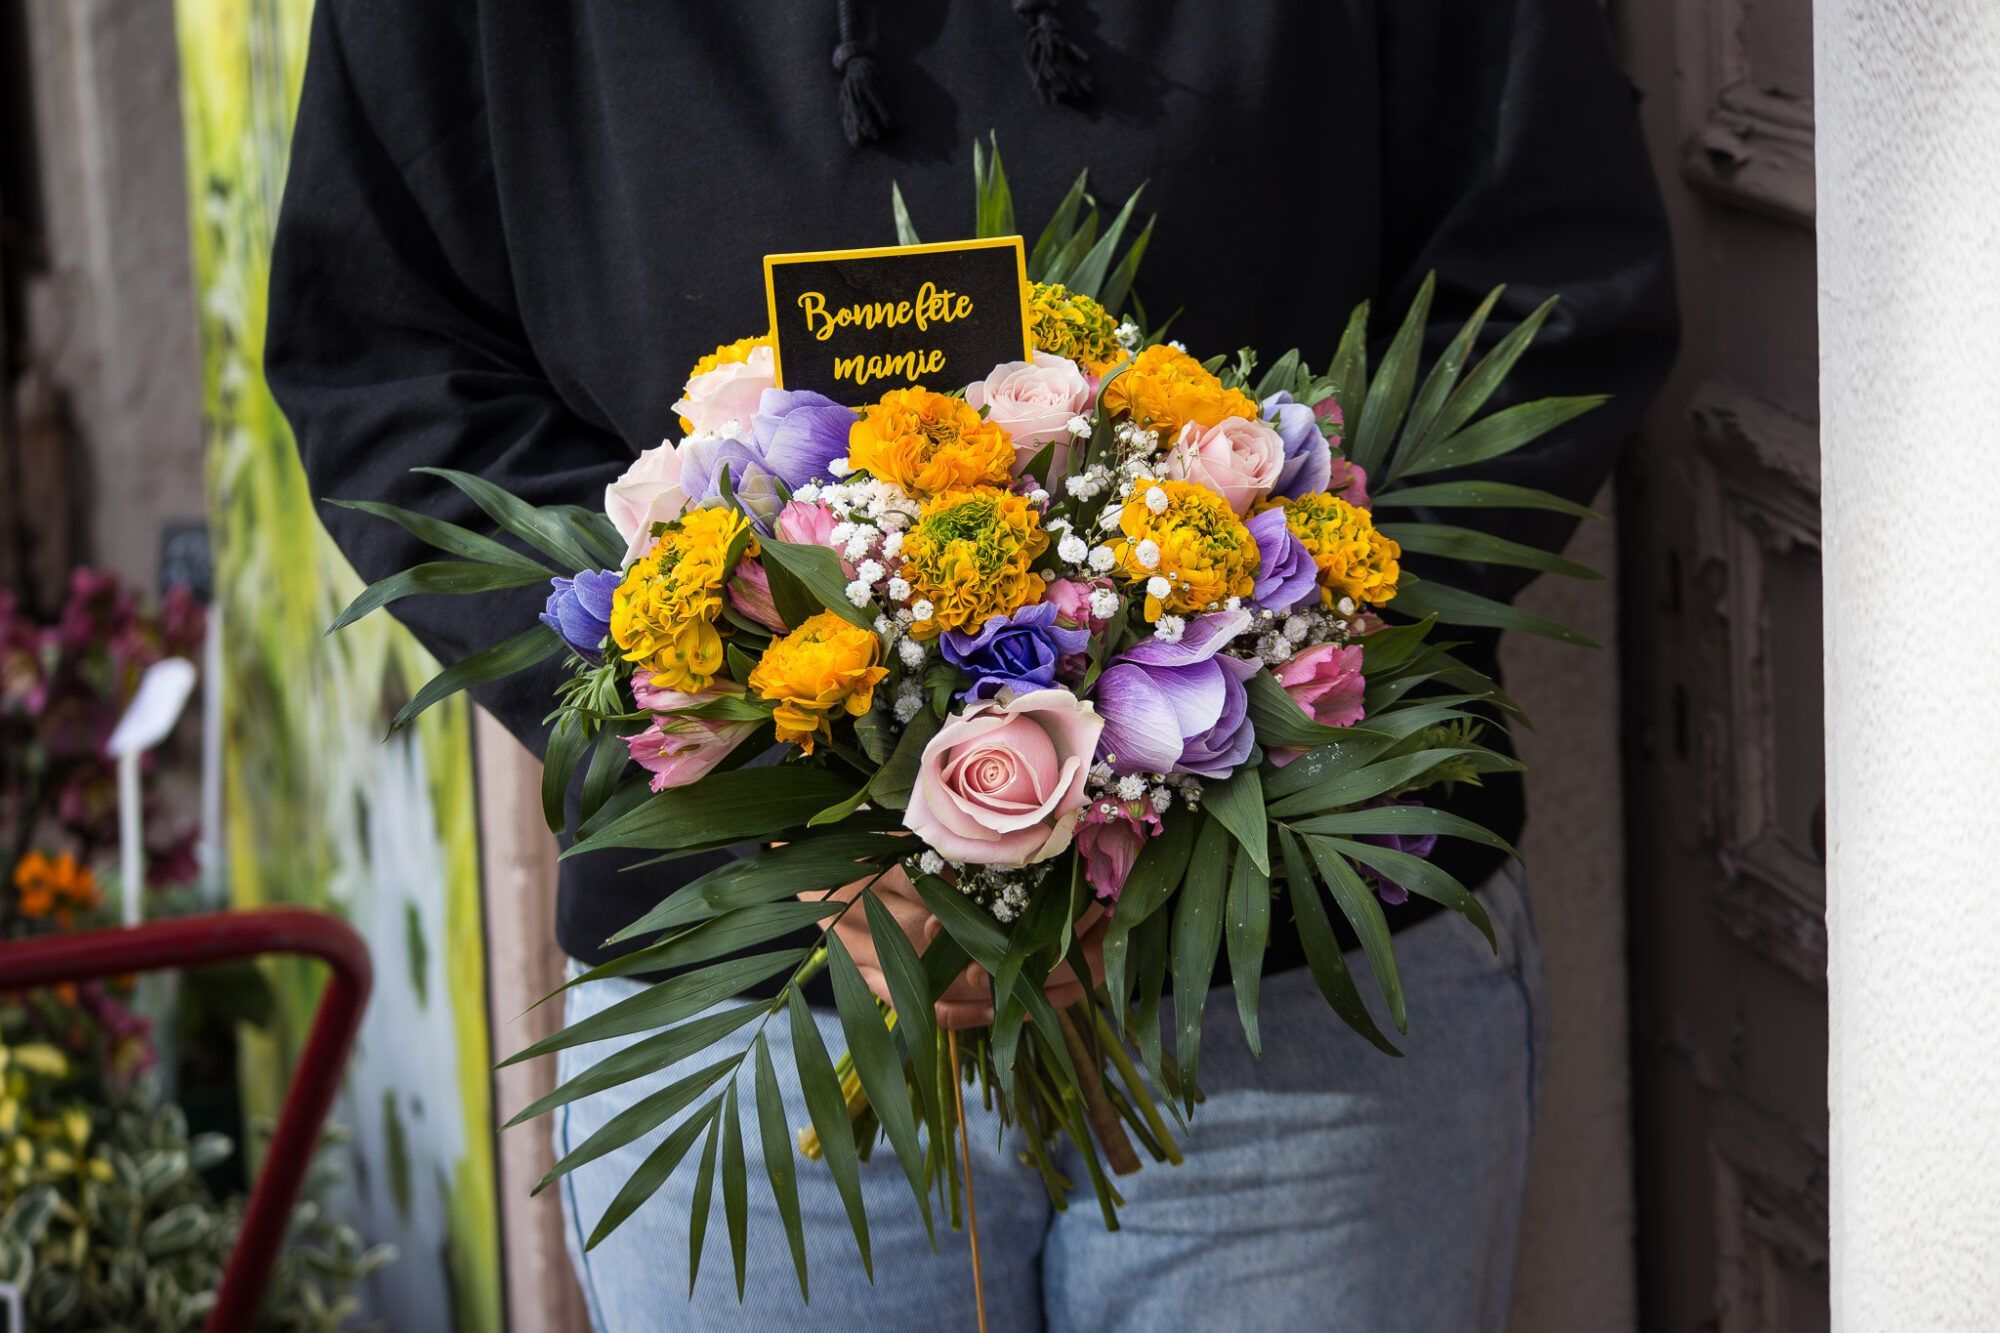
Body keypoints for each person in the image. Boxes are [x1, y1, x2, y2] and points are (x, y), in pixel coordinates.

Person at [267, 2, 1676, 1328]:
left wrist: (1199, 733)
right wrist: (764, 750)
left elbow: (1548, 263)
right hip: (758, 1012)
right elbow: (382, 348)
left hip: (1293, 995)